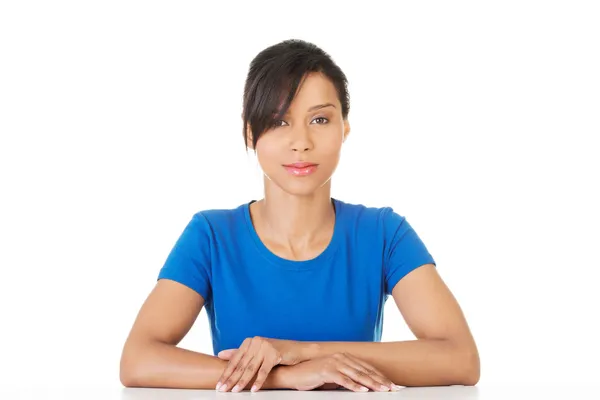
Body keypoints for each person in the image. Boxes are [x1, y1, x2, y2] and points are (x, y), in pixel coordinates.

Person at [119, 39, 480, 393]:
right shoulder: (212, 236)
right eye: (279, 122)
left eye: (320, 119)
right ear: (250, 133)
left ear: (345, 129)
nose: (301, 142)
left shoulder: (384, 233)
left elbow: (461, 359)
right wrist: (286, 375)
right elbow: (137, 360)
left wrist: (304, 352)